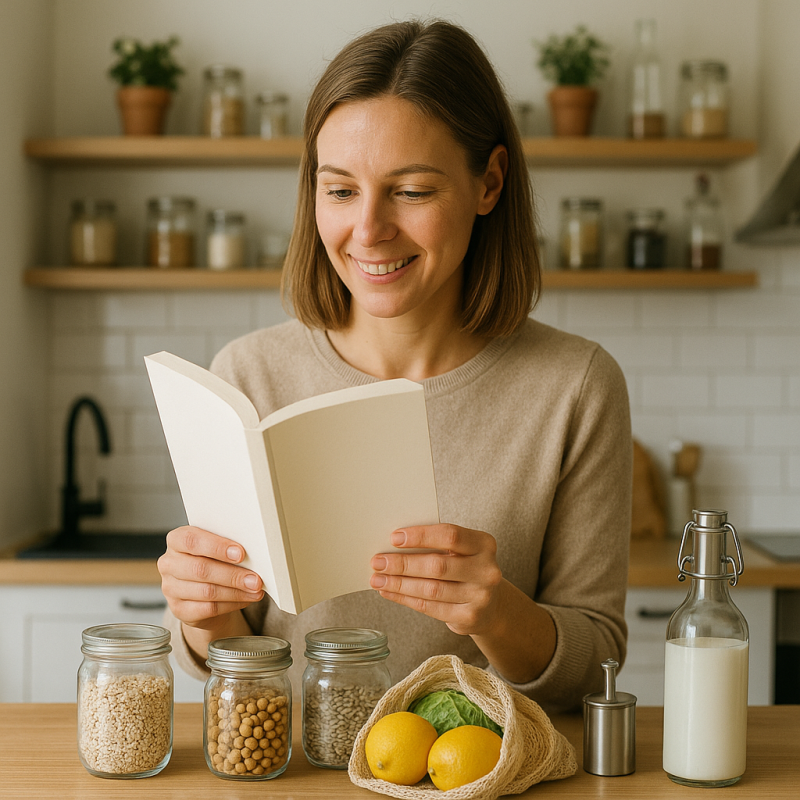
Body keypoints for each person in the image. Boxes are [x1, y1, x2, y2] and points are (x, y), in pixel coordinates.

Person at [158, 18, 632, 713]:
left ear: (490, 184)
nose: (369, 230)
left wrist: (495, 612)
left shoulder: (575, 386)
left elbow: (598, 666)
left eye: (411, 191)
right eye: (341, 190)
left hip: (477, 776)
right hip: (296, 773)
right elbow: (241, 651)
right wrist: (201, 616)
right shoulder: (247, 375)